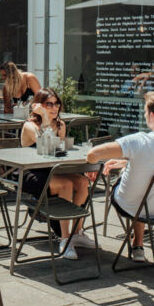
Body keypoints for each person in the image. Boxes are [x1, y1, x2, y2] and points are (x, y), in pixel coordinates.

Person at [86, 91, 154, 263]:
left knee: (134, 186)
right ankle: (138, 244)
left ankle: (137, 243)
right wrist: (128, 162)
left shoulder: (139, 141)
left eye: (145, 113)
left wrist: (93, 165)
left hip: (127, 204)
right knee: (144, 184)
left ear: (152, 115)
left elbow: (93, 154)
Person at [19, 88, 93, 260]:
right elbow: (47, 145)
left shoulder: (60, 125)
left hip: (53, 170)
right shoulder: (30, 126)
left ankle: (77, 232)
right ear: (39, 106)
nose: (54, 108)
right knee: (66, 184)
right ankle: (65, 239)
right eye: (48, 104)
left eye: (56, 103)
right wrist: (45, 118)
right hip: (32, 172)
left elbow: (57, 153)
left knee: (83, 182)